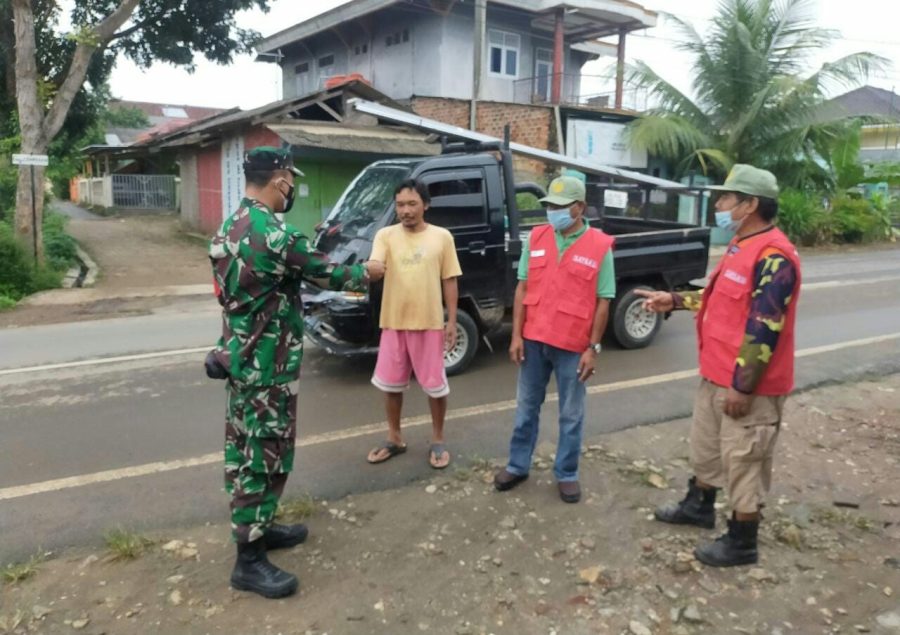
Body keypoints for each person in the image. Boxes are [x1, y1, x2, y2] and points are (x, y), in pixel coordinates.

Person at [209, 146, 384, 599]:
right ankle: (247, 561)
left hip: (241, 358)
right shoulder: (275, 233)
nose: (293, 188)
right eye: (292, 179)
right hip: (268, 366)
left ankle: (261, 528)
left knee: (245, 446)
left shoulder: (230, 226)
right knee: (263, 455)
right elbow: (328, 275)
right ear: (280, 179)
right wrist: (367, 271)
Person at [636, 164, 801, 567]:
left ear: (750, 205)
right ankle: (699, 505)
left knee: (744, 459)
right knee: (707, 447)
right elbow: (720, 299)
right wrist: (672, 300)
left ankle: (742, 540)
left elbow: (765, 326)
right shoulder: (741, 245)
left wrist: (743, 387)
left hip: (748, 385)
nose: (719, 204)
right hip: (716, 373)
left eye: (726, 198)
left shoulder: (774, 256)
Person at [494, 175, 616, 503]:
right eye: (549, 206)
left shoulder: (600, 245)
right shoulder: (536, 237)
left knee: (571, 414)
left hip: (573, 348)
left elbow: (604, 300)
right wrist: (516, 335)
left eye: (559, 207)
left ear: (579, 208)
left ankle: (567, 473)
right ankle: (518, 466)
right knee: (525, 410)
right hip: (533, 341)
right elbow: (522, 288)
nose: (552, 212)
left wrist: (593, 348)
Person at [366, 178, 462, 469]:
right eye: (400, 205)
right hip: (393, 322)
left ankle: (437, 439)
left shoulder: (442, 237)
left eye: (412, 204)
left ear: (426, 205)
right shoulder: (385, 235)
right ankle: (394, 437)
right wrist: (372, 270)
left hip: (430, 323)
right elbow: (375, 268)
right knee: (391, 386)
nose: (405, 210)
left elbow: (450, 279)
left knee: (434, 387)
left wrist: (452, 321)